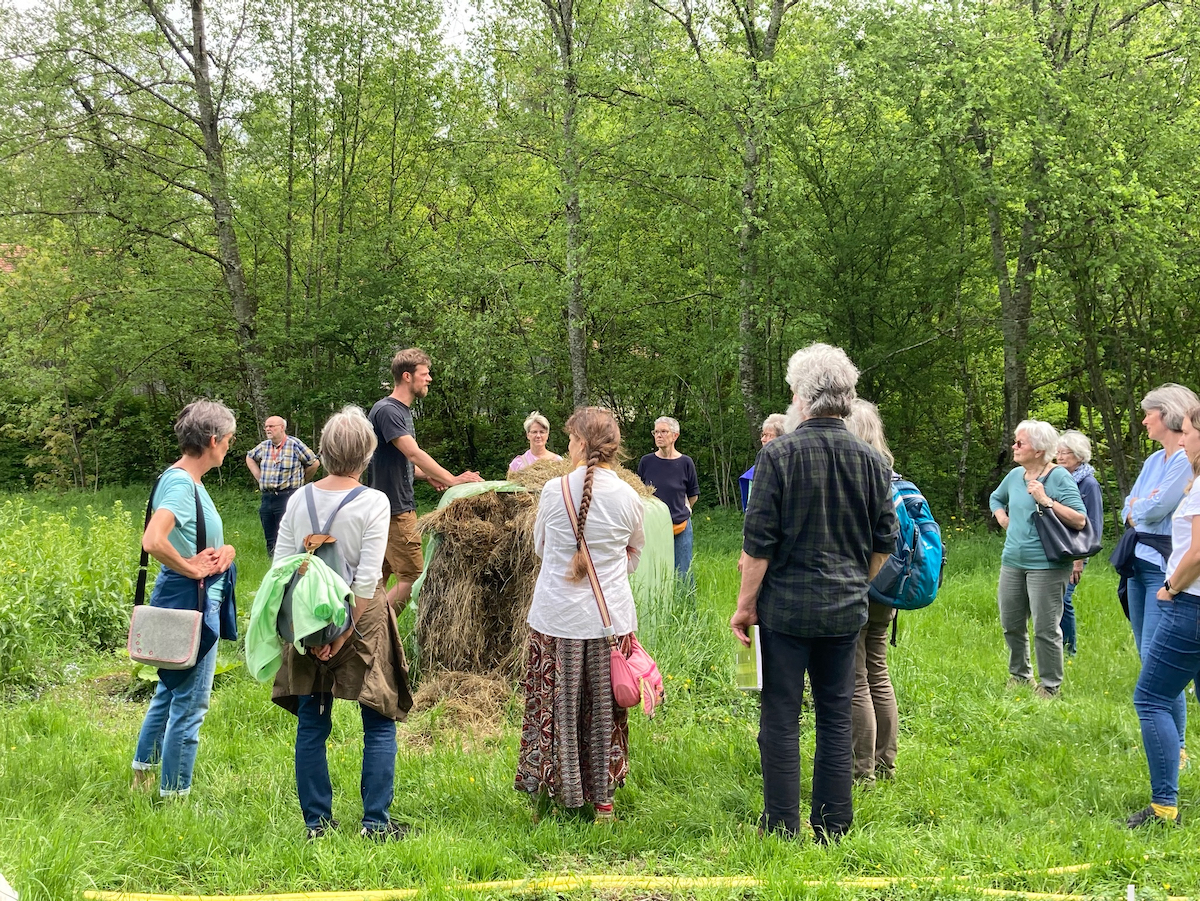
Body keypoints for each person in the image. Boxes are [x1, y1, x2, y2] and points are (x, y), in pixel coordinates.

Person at [731, 344, 897, 843]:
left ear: (802, 398)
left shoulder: (778, 455)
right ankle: (833, 826)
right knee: (835, 715)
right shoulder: (872, 460)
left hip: (785, 611)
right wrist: (855, 582)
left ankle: (782, 825)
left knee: (780, 716)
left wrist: (744, 607)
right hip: (845, 610)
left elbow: (757, 545)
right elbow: (884, 541)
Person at [270, 406, 413, 842]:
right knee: (379, 717)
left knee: (312, 722)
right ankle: (375, 824)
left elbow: (281, 568)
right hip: (362, 619)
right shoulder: (374, 501)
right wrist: (345, 631)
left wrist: (311, 633)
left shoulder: (299, 498)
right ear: (368, 454)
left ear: (325, 451)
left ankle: (317, 825)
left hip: (307, 619)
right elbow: (366, 580)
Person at [514, 407, 646, 821]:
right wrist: (608, 568)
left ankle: (556, 796)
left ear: (582, 444)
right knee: (604, 710)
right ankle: (603, 802)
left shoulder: (553, 491)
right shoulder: (629, 496)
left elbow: (541, 549)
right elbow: (634, 554)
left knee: (554, 707)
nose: (568, 445)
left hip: (556, 619)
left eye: (571, 439)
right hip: (610, 623)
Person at [132, 400, 238, 798]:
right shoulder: (181, 485)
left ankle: (143, 777)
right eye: (228, 440)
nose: (228, 447)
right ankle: (175, 796)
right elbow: (153, 539)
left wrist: (225, 551)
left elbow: (193, 538)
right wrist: (192, 569)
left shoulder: (181, 479)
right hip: (191, 602)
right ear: (212, 440)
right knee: (191, 705)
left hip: (183, 597)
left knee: (169, 691)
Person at [1129, 404, 1200, 827]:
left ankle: (1163, 808)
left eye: (1188, 431)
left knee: (1151, 698)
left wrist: (1170, 587)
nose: (1183, 438)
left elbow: (1198, 552)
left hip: (1191, 604)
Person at [368, 348, 483, 607]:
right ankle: (378, 627)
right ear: (407, 376)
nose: (429, 378)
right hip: (396, 510)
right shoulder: (388, 411)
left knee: (377, 579)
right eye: (425, 374)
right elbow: (413, 453)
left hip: (388, 508)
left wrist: (423, 475)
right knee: (413, 579)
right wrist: (452, 479)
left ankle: (364, 629)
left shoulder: (398, 411)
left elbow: (397, 461)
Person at [989, 420, 1087, 698]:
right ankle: (1020, 676)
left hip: (1047, 565)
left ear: (1039, 449)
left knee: (1045, 628)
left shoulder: (1059, 477)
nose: (1014, 446)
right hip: (1012, 561)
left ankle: (1050, 686)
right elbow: (996, 498)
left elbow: (1080, 519)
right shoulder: (1015, 476)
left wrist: (1046, 500)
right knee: (1011, 623)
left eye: (1020, 443)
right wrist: (1002, 518)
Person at [843, 399, 900, 785]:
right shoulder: (891, 475)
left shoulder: (857, 478)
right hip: (888, 589)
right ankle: (885, 763)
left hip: (858, 586)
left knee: (857, 679)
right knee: (878, 673)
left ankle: (861, 771)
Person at [1055, 430, 1104, 657]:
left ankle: (1069, 650)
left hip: (1075, 552)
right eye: (1058, 452)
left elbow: (1093, 524)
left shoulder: (1088, 484)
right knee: (1054, 599)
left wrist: (1079, 561)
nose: (1060, 456)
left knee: (1063, 599)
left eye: (1066, 453)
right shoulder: (1056, 479)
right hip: (1055, 548)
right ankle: (1055, 647)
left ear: (1079, 455)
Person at [246, 415, 320, 556]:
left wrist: (303, 479)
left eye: (271, 426)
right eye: (266, 426)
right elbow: (250, 457)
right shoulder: (264, 446)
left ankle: (290, 560)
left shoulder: (294, 444)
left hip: (288, 495)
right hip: (267, 497)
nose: (268, 429)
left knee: (287, 534)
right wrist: (258, 475)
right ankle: (271, 560)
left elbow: (314, 463)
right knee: (270, 534)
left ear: (282, 428)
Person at [637, 417, 699, 580]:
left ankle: (684, 598)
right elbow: (640, 493)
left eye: (664, 431)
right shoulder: (646, 462)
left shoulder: (686, 463)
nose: (659, 435)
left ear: (675, 436)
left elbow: (693, 495)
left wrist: (685, 510)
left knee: (682, 573)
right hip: (653, 527)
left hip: (680, 526)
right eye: (656, 432)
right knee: (655, 572)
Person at [740, 414, 788, 510]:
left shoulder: (796, 465)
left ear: (783, 438)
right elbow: (751, 507)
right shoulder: (755, 470)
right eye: (763, 435)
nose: (763, 439)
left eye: (768, 435)